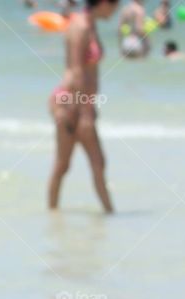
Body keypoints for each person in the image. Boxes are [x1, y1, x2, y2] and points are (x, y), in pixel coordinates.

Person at [48, 0, 116, 213]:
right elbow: (77, 72)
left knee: (89, 163)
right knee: (65, 164)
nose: (116, 10)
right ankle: (53, 215)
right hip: (71, 102)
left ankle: (54, 214)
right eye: (115, 4)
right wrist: (84, 111)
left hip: (80, 101)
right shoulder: (81, 27)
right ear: (104, 3)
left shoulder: (90, 25)